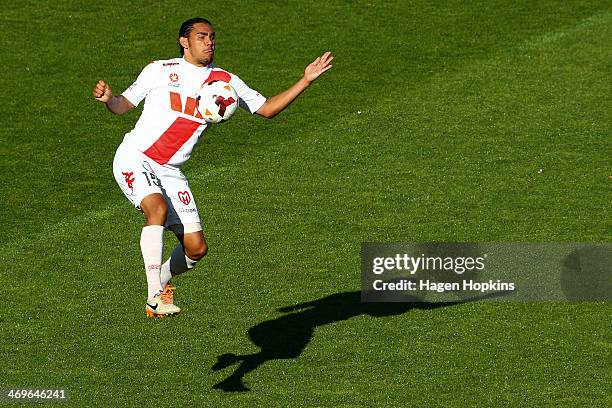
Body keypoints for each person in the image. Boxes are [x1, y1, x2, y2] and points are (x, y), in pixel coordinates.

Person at [92, 17, 333, 317]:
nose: (210, 42)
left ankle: (160, 284)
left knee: (196, 249)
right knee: (157, 210)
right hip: (136, 156)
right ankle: (154, 294)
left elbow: (267, 109)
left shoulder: (225, 81)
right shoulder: (159, 71)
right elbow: (123, 105)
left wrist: (306, 79)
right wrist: (108, 99)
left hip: (171, 171)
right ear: (184, 42)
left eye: (212, 37)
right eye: (202, 37)